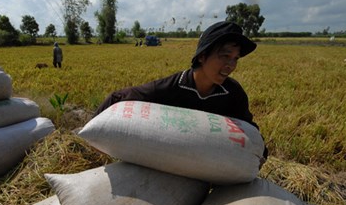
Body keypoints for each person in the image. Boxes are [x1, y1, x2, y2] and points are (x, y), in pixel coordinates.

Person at [95, 21, 268, 161]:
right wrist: (92, 139)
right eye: (224, 56)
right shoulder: (171, 87)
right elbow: (118, 97)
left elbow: (248, 128)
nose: (230, 65)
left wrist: (261, 153)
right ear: (202, 56)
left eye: (235, 59)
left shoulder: (233, 93)